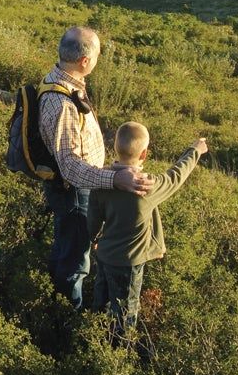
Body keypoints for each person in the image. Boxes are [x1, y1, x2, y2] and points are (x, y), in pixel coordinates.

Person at [38, 26, 154, 311]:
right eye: (98, 54)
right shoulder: (62, 102)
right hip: (74, 193)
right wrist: (115, 180)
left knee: (67, 248)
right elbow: (70, 168)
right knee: (75, 260)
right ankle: (66, 318)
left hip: (75, 191)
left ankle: (55, 299)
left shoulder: (61, 82)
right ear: (85, 62)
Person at [91, 121, 207, 337]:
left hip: (105, 256)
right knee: (126, 313)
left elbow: (92, 223)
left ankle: (94, 341)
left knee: (101, 303)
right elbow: (176, 175)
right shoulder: (147, 186)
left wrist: (94, 239)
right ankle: (119, 356)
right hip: (129, 263)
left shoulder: (103, 181)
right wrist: (195, 150)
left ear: (115, 147)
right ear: (144, 154)